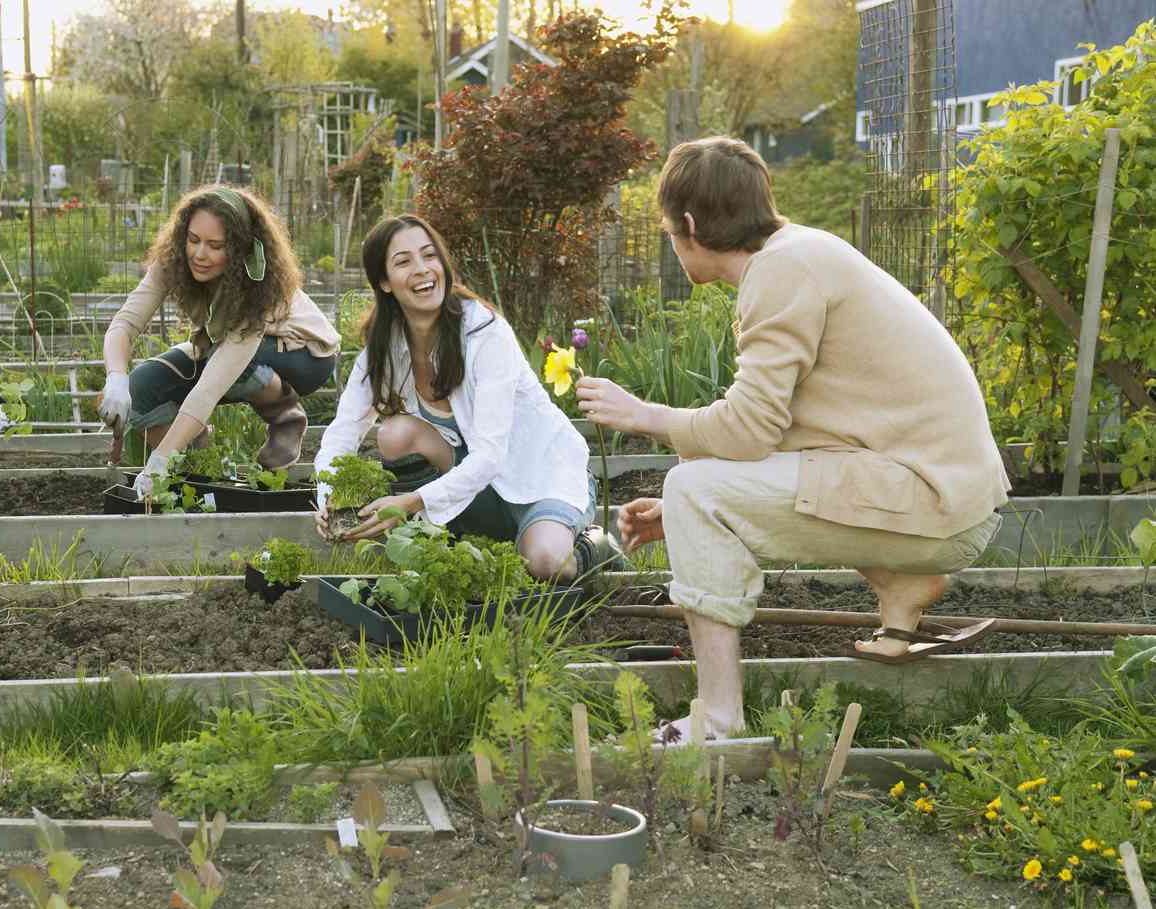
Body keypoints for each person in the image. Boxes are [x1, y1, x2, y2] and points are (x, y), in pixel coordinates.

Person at [577, 137, 1009, 740]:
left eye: (670, 231)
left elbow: (751, 431)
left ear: (692, 226)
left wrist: (645, 415)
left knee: (695, 489)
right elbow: (776, 429)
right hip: (941, 488)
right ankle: (903, 585)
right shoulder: (799, 254)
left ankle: (718, 719)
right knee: (697, 491)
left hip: (932, 500)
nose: (673, 244)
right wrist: (683, 515)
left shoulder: (782, 272)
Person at [313, 214, 627, 581]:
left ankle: (596, 545)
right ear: (383, 282)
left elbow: (491, 456)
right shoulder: (384, 349)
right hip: (476, 486)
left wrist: (412, 502)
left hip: (540, 474)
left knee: (545, 562)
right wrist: (330, 498)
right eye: (403, 262)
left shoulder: (483, 332)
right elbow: (342, 432)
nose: (422, 269)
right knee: (393, 433)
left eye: (429, 255)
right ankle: (455, 533)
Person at [97, 186, 340, 494]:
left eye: (215, 245)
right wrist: (117, 378)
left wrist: (158, 460)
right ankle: (197, 467)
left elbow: (209, 388)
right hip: (223, 349)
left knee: (220, 366)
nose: (200, 254)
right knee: (142, 385)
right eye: (194, 240)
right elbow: (124, 323)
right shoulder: (173, 261)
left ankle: (286, 418)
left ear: (238, 249)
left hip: (304, 355)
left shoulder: (257, 288)